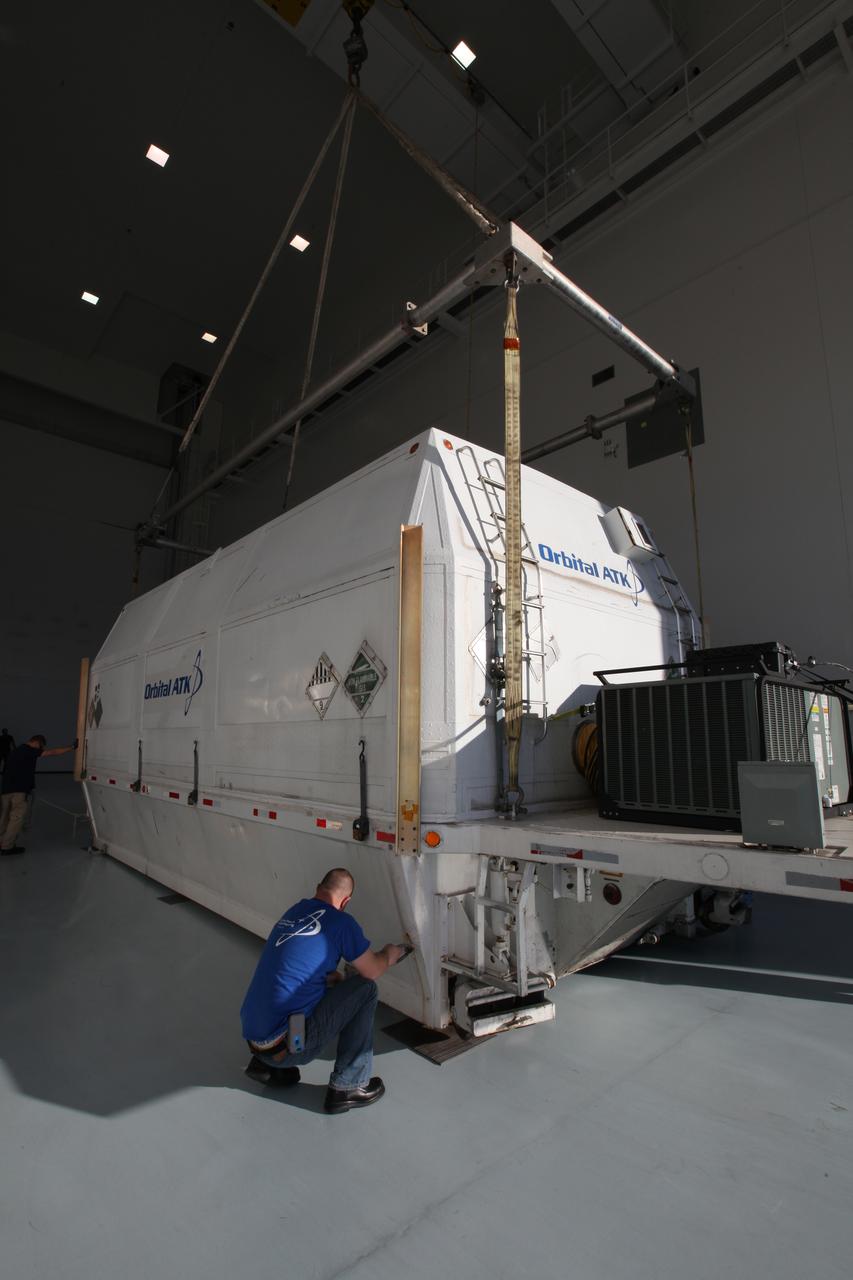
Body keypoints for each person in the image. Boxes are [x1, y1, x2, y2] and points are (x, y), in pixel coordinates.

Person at [240, 867, 406, 1114]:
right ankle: (348, 1086)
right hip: (288, 1045)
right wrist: (390, 955)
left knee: (306, 988)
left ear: (318, 887)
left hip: (255, 1040)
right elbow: (371, 970)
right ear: (346, 900)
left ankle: (269, 1068)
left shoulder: (295, 911)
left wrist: (333, 983)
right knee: (365, 989)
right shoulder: (341, 922)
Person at [0, 734, 76, 855]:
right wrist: (72, 747)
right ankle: (6, 847)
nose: (40, 749)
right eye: (40, 747)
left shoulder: (16, 751)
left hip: (5, 791)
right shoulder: (30, 750)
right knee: (16, 819)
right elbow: (53, 752)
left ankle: (1, 843)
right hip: (19, 791)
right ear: (37, 743)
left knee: (4, 818)